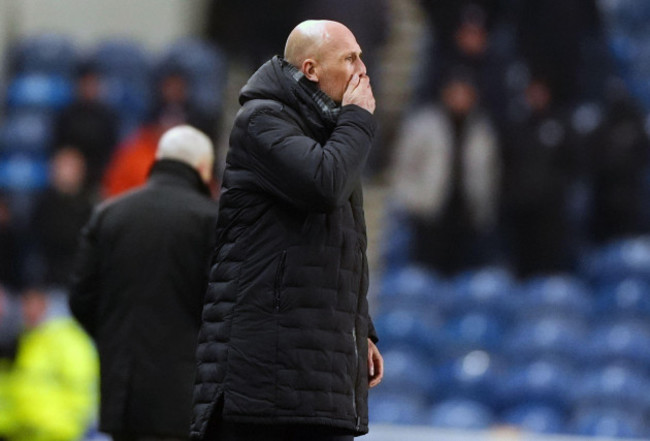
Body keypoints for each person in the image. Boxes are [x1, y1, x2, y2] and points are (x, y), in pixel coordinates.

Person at [190, 20, 384, 441]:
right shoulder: (261, 121)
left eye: (362, 57)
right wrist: (356, 120)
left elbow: (338, 246)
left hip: (315, 378)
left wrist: (357, 329)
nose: (362, 70)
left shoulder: (332, 134)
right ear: (311, 70)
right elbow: (323, 186)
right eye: (350, 58)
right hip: (265, 380)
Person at [69, 125, 218, 441]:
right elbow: (222, 306)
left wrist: (115, 336)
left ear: (159, 159)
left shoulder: (108, 215)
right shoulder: (212, 220)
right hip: (184, 396)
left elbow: (80, 298)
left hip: (122, 394)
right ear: (204, 169)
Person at [390, 67, 501, 275]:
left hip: (467, 215)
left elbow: (491, 171)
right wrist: (414, 200)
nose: (460, 98)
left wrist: (484, 205)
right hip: (429, 214)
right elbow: (404, 167)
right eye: (456, 92)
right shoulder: (423, 124)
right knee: (427, 273)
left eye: (465, 93)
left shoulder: (482, 129)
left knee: (464, 276)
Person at [10, 287, 98, 441]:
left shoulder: (65, 337)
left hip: (61, 433)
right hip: (30, 432)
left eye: (31, 304)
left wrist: (74, 422)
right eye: (24, 305)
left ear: (44, 304)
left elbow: (83, 383)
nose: (26, 311)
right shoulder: (31, 337)